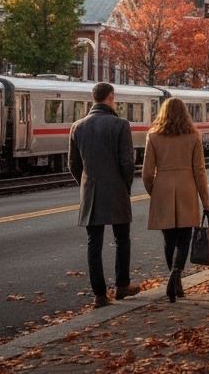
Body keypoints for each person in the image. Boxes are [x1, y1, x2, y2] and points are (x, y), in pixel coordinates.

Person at [68, 82, 140, 308]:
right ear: (110, 98)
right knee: (122, 239)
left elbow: (73, 164)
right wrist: (126, 186)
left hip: (91, 191)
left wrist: (85, 184)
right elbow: (127, 162)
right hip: (116, 188)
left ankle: (100, 294)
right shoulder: (120, 125)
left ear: (94, 98)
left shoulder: (77, 126)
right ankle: (122, 285)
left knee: (94, 244)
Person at [142, 98, 209, 303]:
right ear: (185, 113)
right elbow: (199, 171)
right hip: (187, 187)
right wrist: (205, 201)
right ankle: (176, 275)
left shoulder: (153, 136)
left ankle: (174, 277)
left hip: (162, 187)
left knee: (169, 239)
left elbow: (147, 173)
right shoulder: (193, 136)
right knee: (184, 239)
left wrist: (154, 191)